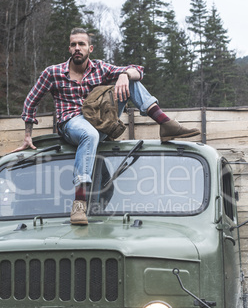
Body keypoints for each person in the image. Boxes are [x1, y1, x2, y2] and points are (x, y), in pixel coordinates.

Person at [14, 27, 200, 225]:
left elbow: (139, 70)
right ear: (69, 48)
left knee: (130, 82)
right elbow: (31, 101)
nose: (77, 48)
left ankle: (165, 123)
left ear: (90, 48)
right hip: (71, 124)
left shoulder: (100, 69)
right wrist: (27, 135)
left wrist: (124, 75)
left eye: (82, 44)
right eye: (74, 44)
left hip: (99, 121)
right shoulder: (53, 73)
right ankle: (79, 203)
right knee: (89, 135)